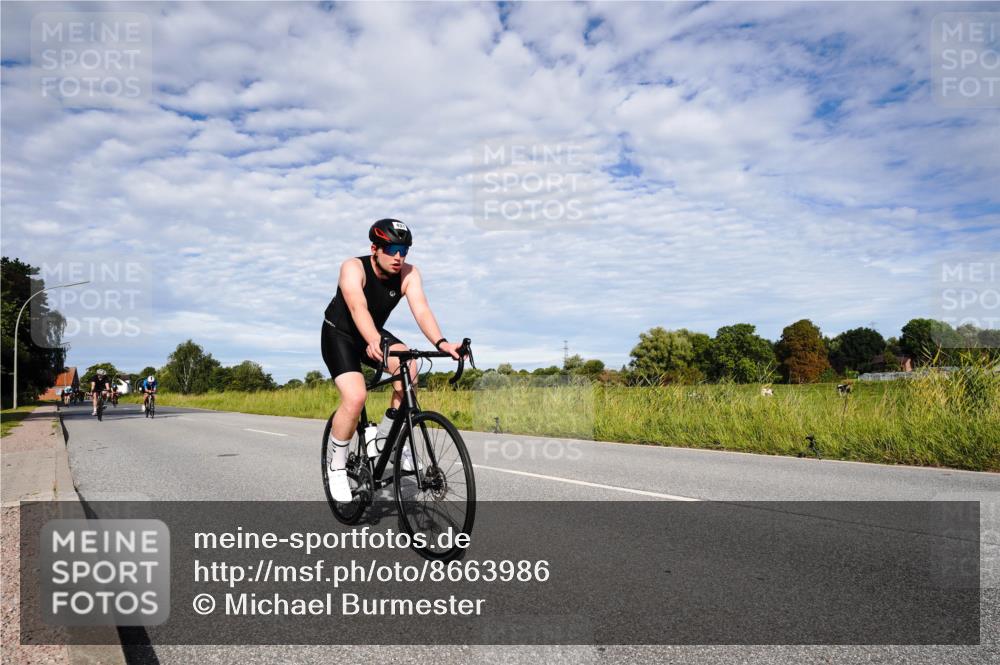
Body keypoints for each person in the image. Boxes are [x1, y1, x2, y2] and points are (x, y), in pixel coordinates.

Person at [321, 218, 463, 502]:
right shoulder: (353, 267)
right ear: (375, 248)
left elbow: (421, 310)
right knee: (356, 396)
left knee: (409, 365)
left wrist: (442, 342)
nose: (399, 257)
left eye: (404, 250)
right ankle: (336, 466)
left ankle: (389, 439)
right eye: (393, 249)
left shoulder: (409, 274)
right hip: (341, 335)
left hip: (372, 333)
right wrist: (373, 339)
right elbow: (357, 306)